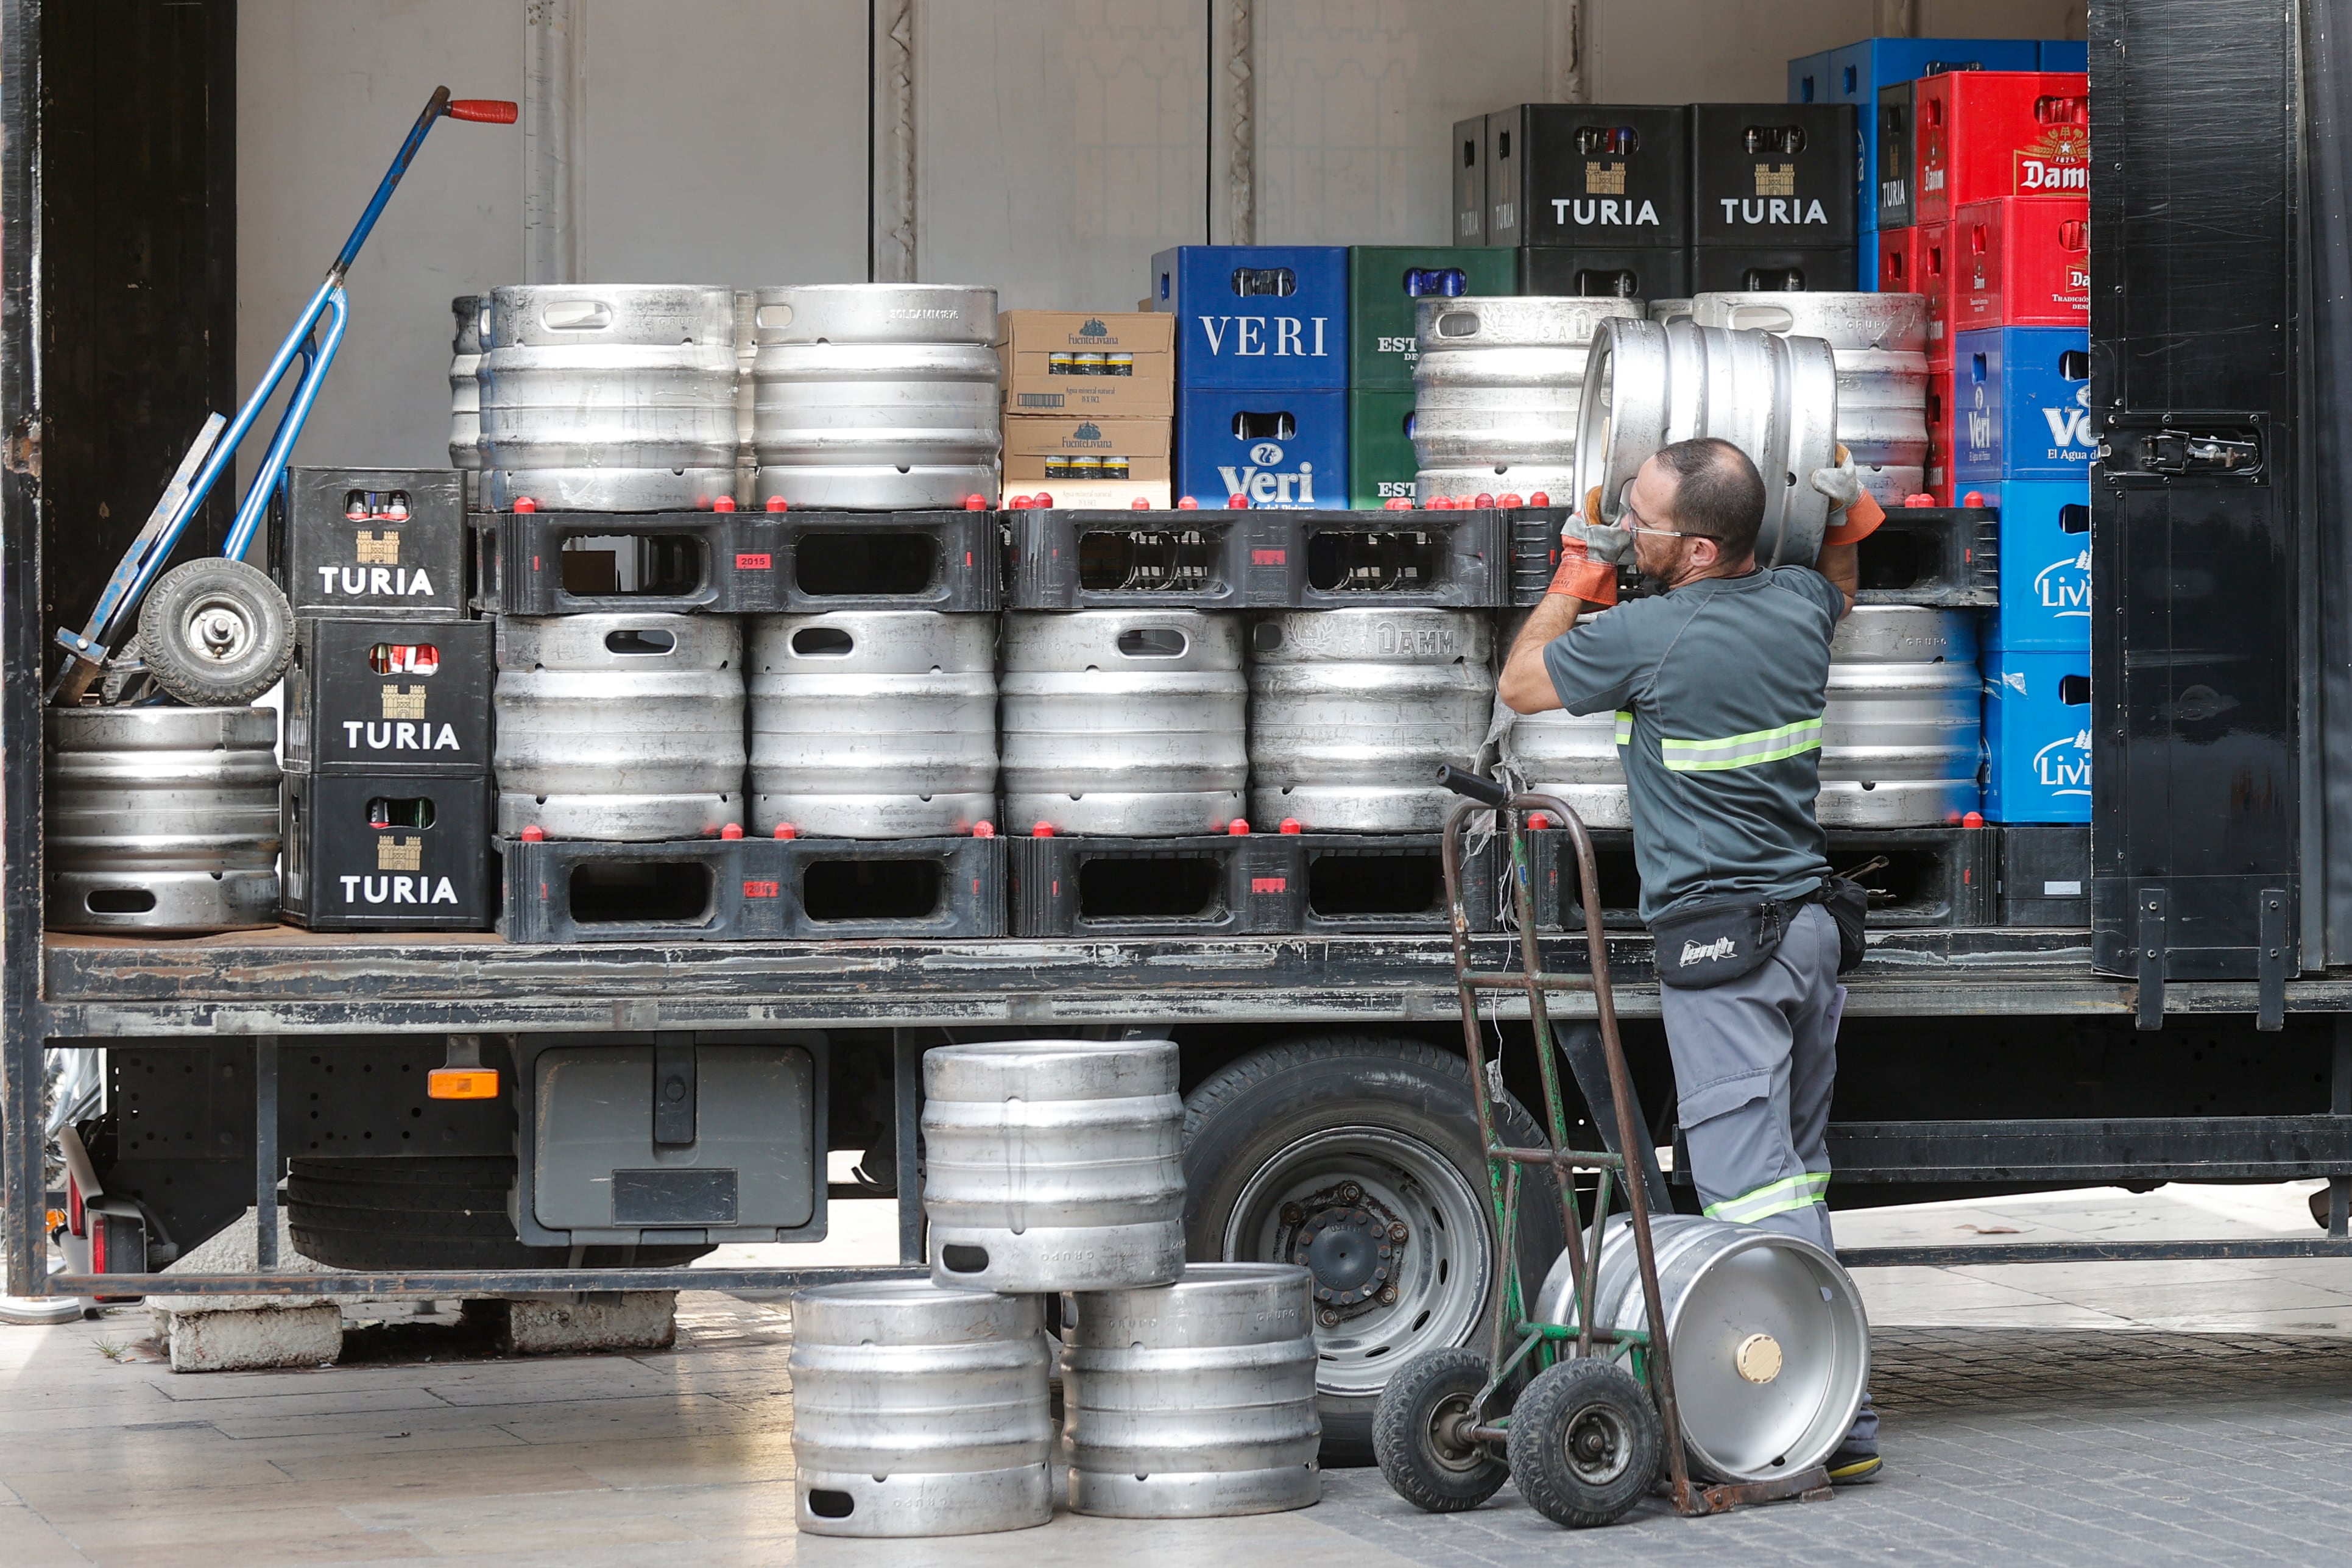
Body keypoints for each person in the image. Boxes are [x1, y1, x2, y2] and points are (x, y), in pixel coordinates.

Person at [1495, 436, 1886, 1485]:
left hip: (1728, 952)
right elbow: (1839, 584)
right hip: (1803, 935)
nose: (1630, 528)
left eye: (1646, 522)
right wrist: (1847, 515)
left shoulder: (1649, 636)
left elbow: (1523, 682)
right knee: (1794, 1179)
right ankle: (1828, 1412)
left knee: (1748, 1195)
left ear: (1703, 548)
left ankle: (1818, 1427)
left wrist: (1577, 571)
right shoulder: (1799, 605)